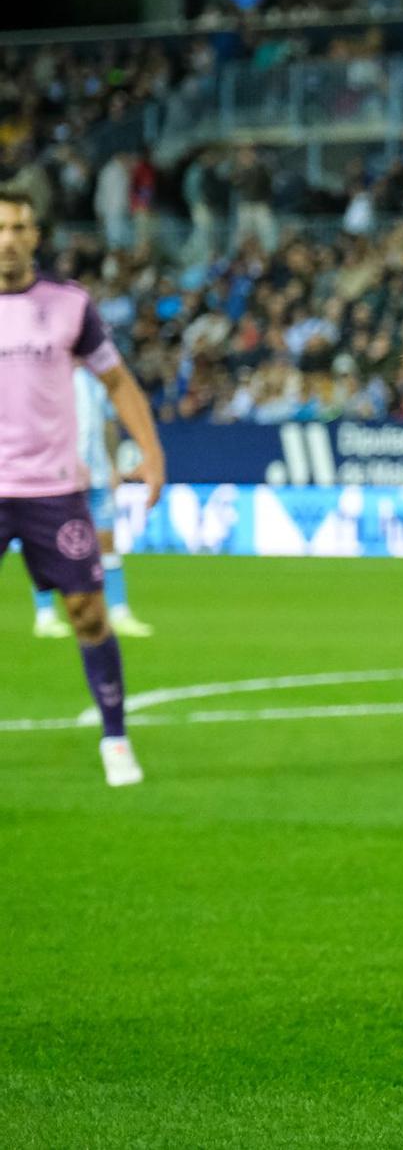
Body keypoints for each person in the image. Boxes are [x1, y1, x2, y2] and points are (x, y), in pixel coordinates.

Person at [0, 191, 166, 785]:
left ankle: (116, 739)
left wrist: (150, 453)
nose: (9, 238)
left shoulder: (69, 305)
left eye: (20, 226)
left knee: (87, 614)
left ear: (36, 235)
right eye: (0, 227)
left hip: (54, 489)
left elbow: (117, 381)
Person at [30, 366, 152, 639]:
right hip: (60, 475)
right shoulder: (50, 375)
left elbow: (107, 425)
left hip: (97, 474)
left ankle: (119, 612)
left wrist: (111, 464)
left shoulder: (95, 378)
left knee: (107, 541)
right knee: (49, 545)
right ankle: (45, 615)